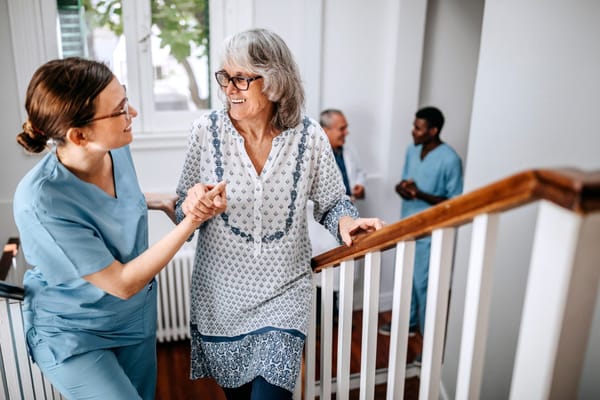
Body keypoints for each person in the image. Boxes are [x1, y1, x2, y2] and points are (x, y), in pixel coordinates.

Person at [175, 28, 384, 399]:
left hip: (283, 293)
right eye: (224, 77)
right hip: (220, 298)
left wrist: (347, 222)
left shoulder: (310, 137)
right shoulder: (205, 132)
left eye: (241, 79)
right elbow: (182, 212)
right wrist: (191, 205)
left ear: (273, 82)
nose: (229, 89)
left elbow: (332, 201)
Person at [13, 57, 226, 400]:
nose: (134, 113)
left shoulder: (114, 149)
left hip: (132, 319)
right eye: (120, 109)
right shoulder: (41, 200)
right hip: (74, 332)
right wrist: (193, 219)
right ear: (79, 135)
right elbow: (122, 282)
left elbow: (116, 201)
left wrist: (172, 201)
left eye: (124, 98)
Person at [379, 106, 463, 349]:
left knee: (425, 286)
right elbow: (406, 183)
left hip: (432, 232)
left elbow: (455, 202)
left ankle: (429, 344)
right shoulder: (412, 150)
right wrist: (402, 189)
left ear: (433, 131)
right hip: (408, 226)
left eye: (418, 128)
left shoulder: (450, 159)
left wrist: (421, 194)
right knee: (407, 279)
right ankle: (410, 323)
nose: (413, 131)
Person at [308, 109, 367, 320]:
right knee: (322, 276)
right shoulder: (312, 155)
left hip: (345, 219)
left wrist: (359, 185)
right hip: (321, 230)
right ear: (325, 130)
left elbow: (359, 172)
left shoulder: (348, 152)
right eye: (342, 128)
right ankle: (320, 322)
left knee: (341, 276)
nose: (346, 132)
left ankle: (334, 317)